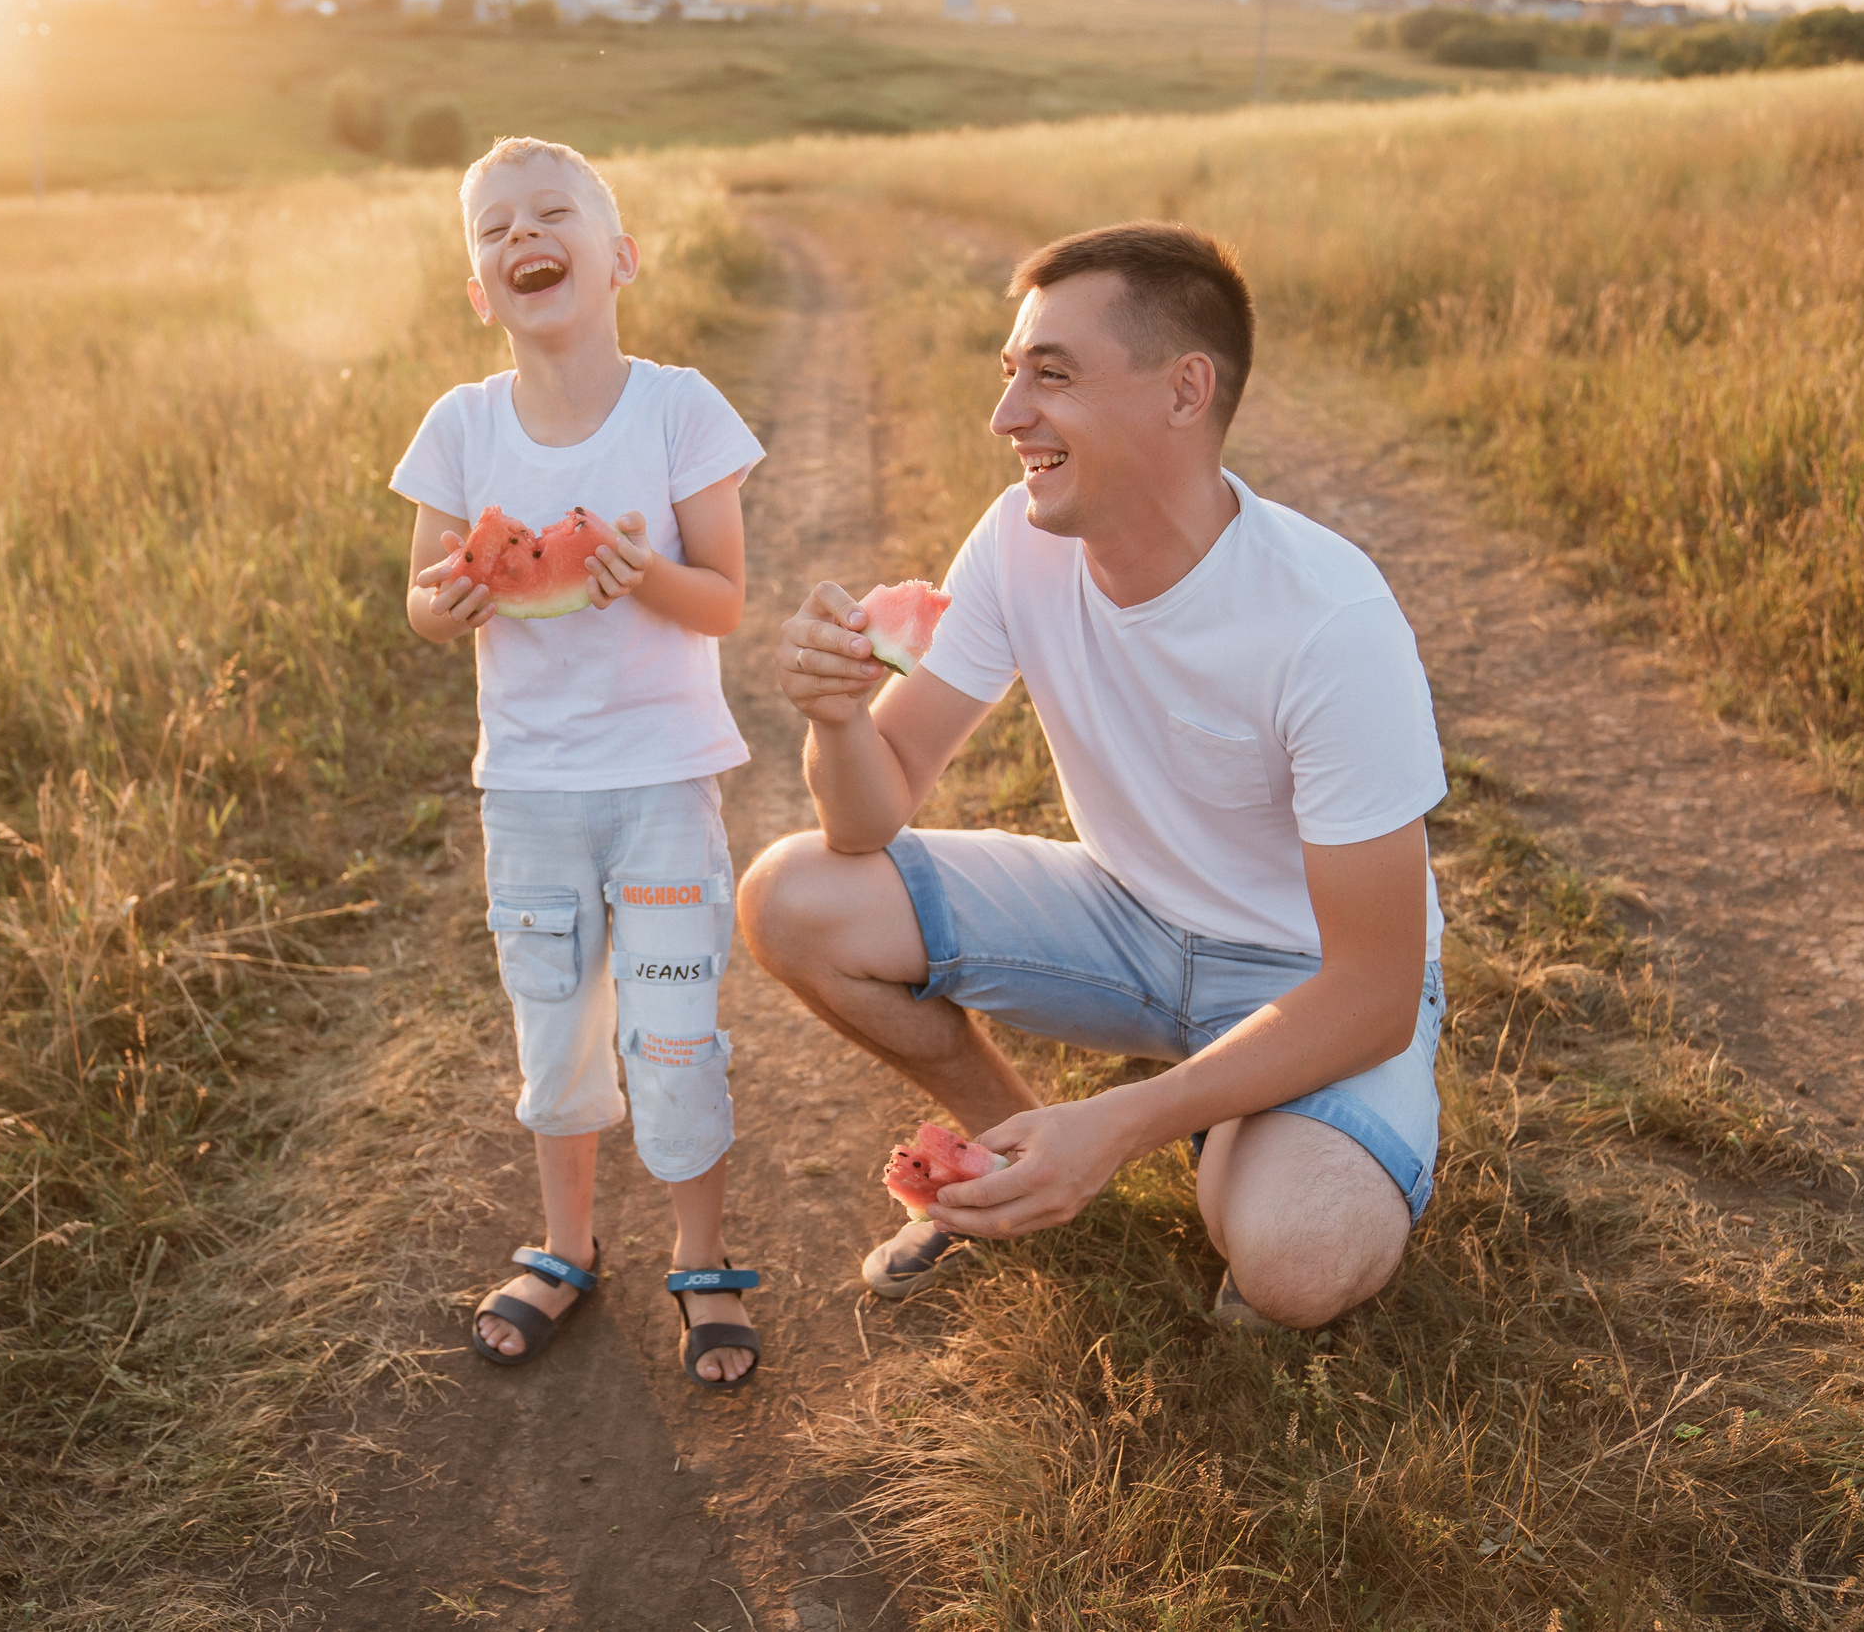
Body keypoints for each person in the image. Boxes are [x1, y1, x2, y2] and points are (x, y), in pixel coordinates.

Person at [738, 221, 1448, 1330]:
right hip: (1127, 923)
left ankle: (1237, 1135)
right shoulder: (1017, 542)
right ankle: (1014, 1163)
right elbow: (868, 815)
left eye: (1052, 375)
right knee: (792, 896)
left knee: (1294, 1259)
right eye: (1009, 372)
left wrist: (1121, 1124)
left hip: (1309, 978)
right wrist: (836, 721)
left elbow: (1375, 990)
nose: (1006, 415)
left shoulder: (1330, 621)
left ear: (1184, 391)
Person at [395, 137, 767, 1384]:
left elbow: (724, 602)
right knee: (553, 1032)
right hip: (530, 795)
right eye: (494, 228)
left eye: (551, 213)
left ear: (621, 258)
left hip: (662, 785)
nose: (522, 236)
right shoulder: (458, 427)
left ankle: (702, 1255)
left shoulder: (680, 408)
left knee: (673, 1033)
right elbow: (425, 594)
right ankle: (565, 1247)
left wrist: (641, 573)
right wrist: (448, 603)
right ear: (479, 290)